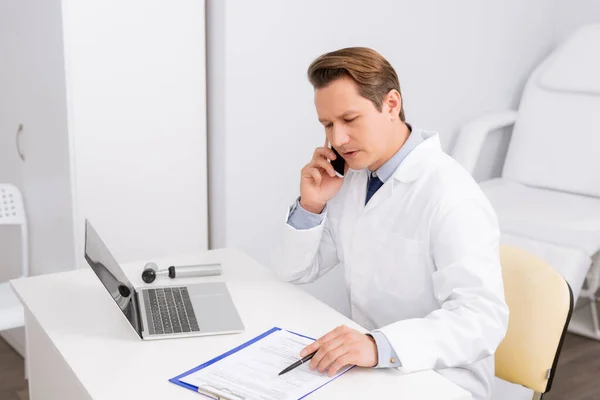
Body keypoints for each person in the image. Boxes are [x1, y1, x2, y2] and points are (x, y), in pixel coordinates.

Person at [272, 47, 509, 400]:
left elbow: (481, 319)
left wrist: (378, 345)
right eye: (328, 125)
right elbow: (294, 271)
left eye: (349, 119)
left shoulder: (452, 195)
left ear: (391, 105)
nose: (337, 139)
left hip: (438, 378)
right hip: (368, 367)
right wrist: (312, 204)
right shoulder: (354, 179)